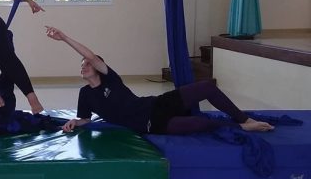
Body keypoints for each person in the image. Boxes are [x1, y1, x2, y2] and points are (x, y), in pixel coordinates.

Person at [44, 26, 274, 134]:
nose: (84, 66)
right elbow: (85, 119)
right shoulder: (85, 94)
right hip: (149, 125)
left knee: (206, 87)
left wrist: (64, 38)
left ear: (97, 69)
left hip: (156, 104)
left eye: (87, 64)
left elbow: (92, 56)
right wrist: (74, 122)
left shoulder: (110, 79)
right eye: (82, 65)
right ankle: (240, 126)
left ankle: (246, 119)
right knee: (198, 124)